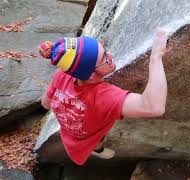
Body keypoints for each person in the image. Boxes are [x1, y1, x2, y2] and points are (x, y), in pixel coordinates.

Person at [38, 28, 168, 165]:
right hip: (89, 134)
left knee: (96, 139)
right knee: (97, 139)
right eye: (104, 58)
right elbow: (153, 107)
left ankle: (97, 149)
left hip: (69, 133)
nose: (110, 55)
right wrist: (156, 56)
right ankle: (98, 150)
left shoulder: (63, 74)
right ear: (90, 75)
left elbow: (45, 103)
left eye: (105, 51)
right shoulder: (103, 96)